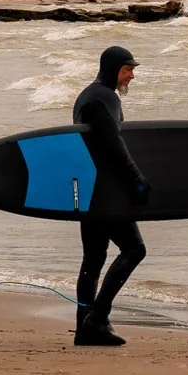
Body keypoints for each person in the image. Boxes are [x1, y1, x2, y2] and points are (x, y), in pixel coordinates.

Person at [71, 44, 149, 347]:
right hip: (106, 192)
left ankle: (84, 327)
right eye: (127, 70)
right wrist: (137, 180)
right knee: (134, 250)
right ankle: (98, 319)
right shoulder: (105, 99)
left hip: (89, 189)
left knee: (93, 258)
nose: (130, 76)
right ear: (112, 69)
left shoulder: (87, 96)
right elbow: (113, 145)